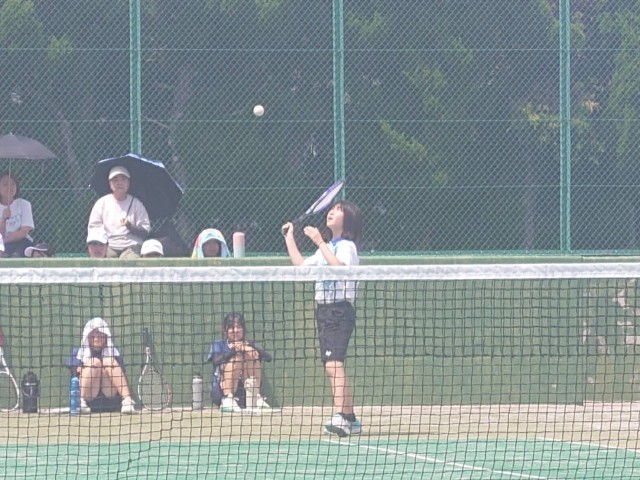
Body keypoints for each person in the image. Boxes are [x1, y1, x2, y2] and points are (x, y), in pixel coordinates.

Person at [282, 200, 363, 437]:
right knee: (333, 364)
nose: (331, 212)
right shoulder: (326, 247)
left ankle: (341, 417)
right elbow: (302, 267)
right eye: (332, 208)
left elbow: (339, 269)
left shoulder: (347, 246)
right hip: (324, 311)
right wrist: (289, 237)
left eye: (338, 210)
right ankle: (350, 418)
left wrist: (319, 241)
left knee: (333, 364)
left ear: (348, 220)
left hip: (339, 309)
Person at [207, 312, 272, 412]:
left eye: (238, 327)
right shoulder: (219, 344)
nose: (235, 330)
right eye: (231, 328)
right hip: (221, 392)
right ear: (225, 330)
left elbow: (268, 358)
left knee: (250, 357)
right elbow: (215, 361)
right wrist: (234, 351)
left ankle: (256, 398)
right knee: (237, 358)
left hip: (245, 395)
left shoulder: (250, 345)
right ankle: (228, 399)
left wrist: (249, 348)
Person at [72, 317, 136, 414]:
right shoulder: (77, 354)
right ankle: (81, 402)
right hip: (90, 399)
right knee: (94, 362)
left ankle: (127, 401)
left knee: (109, 361)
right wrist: (80, 369)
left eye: (100, 335)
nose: (96, 338)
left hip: (110, 398)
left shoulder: (114, 353)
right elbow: (74, 375)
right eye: (93, 335)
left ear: (106, 336)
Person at [87, 166, 150, 259]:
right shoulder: (101, 203)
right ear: (110, 184)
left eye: (123, 179)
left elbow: (145, 232)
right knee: (104, 260)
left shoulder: (137, 204)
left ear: (128, 183)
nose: (119, 183)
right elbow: (94, 229)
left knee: (130, 261)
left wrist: (130, 226)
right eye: (115, 179)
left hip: (132, 246)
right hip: (108, 246)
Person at [0, 172, 34, 257]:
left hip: (21, 241)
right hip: (2, 243)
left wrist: (5, 240)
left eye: (13, 184)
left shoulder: (24, 204)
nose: (9, 187)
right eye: (5, 184)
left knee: (20, 250)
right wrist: (3, 220)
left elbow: (24, 231)